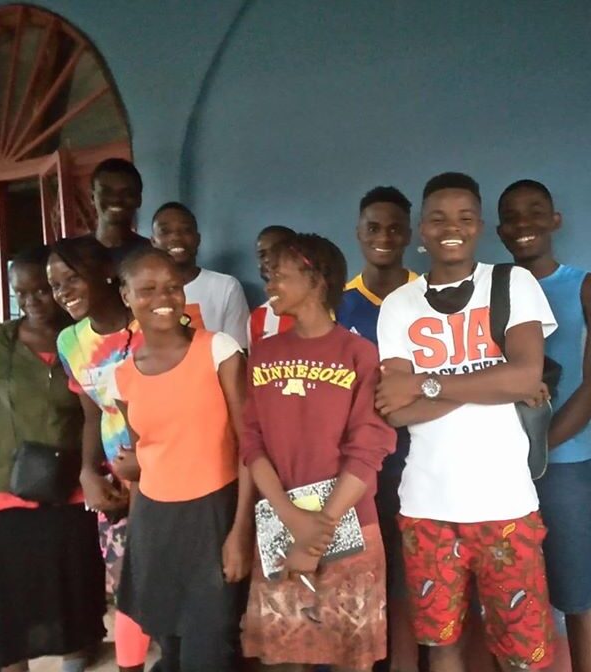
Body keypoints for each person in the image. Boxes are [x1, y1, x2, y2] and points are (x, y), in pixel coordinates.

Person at [375, 173, 557, 672]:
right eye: (437, 218)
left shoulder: (512, 283)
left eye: (464, 218)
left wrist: (429, 383)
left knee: (526, 654)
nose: (450, 228)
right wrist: (488, 380)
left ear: (479, 227)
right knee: (442, 644)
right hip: (427, 507)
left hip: (507, 504)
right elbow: (396, 406)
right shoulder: (399, 306)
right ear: (420, 231)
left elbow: (524, 376)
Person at [239, 233, 395, 671]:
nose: (270, 283)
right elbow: (252, 442)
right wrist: (293, 521)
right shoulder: (264, 354)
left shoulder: (360, 354)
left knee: (350, 655)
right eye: (268, 274)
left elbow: (369, 447)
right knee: (285, 657)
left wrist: (318, 532)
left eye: (281, 274)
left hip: (349, 523)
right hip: (281, 521)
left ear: (317, 279)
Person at [0, 245, 106, 672]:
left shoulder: (82, 338)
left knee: (73, 601)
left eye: (44, 290)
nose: (33, 301)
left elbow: (100, 414)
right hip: (5, 494)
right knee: (10, 612)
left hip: (73, 492)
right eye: (21, 293)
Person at [111, 247, 255, 671]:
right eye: (148, 289)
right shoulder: (123, 375)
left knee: (208, 650)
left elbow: (249, 447)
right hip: (155, 526)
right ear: (126, 296)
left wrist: (239, 532)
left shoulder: (218, 350)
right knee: (170, 648)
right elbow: (143, 461)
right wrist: (137, 544)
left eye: (173, 287)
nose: (164, 298)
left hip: (214, 517)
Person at [497, 180, 591, 672]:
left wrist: (540, 448)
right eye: (512, 217)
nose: (524, 225)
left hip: (562, 464)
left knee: (577, 590)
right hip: (496, 468)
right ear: (499, 230)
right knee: (508, 590)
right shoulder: (490, 288)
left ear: (555, 220)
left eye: (535, 213)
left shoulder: (589, 287)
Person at [47, 236, 150, 672]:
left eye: (72, 279)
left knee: (171, 579)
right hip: (115, 481)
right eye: (56, 285)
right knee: (127, 586)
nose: (63, 292)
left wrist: (142, 472)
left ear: (105, 272)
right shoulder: (71, 341)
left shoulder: (154, 324)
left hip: (170, 474)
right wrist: (90, 472)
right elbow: (92, 413)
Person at [335, 186, 421, 672]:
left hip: (420, 462)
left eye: (394, 228)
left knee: (411, 577)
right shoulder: (339, 304)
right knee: (359, 574)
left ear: (409, 234)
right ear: (358, 233)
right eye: (373, 227)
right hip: (359, 468)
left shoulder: (428, 296)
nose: (384, 236)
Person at [150, 202, 250, 348]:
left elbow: (239, 351)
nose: (176, 237)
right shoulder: (142, 291)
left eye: (185, 230)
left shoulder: (226, 287)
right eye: (165, 231)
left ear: (198, 239)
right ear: (153, 242)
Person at [89, 158, 152, 265]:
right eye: (106, 192)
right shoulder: (74, 254)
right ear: (92, 197)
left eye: (127, 193)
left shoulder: (151, 253)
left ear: (139, 199)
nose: (116, 199)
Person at [248, 225, 297, 345]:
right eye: (262, 255)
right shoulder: (258, 317)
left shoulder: (325, 308)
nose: (268, 259)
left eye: (277, 251)